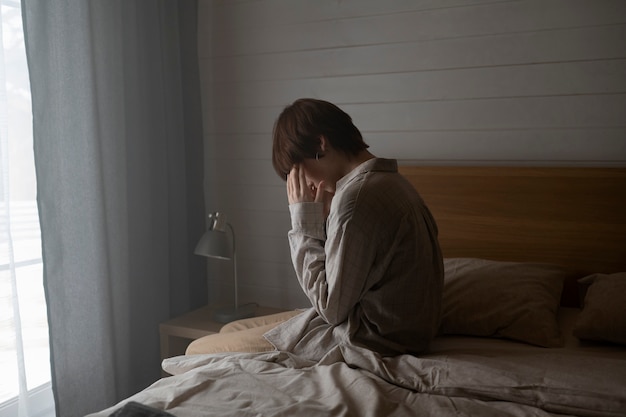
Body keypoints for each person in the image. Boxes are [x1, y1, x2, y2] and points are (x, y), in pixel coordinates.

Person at [187, 98, 443, 360]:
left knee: (199, 349)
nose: (301, 184)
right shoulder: (392, 183)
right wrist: (326, 220)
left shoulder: (356, 199)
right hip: (397, 333)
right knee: (233, 327)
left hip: (367, 339)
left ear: (321, 145)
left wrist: (303, 225)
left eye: (295, 171)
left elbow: (330, 309)